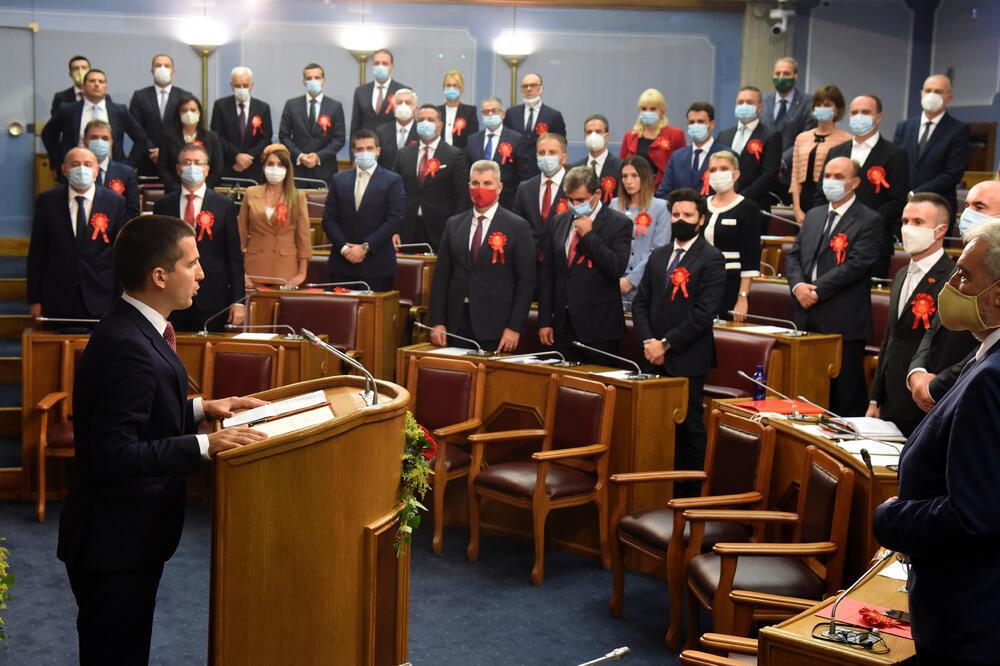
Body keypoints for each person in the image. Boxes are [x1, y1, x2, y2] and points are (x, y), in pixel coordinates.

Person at [57, 214, 267, 666]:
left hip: (130, 537)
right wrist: (207, 446)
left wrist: (201, 409)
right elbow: (114, 452)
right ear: (159, 276)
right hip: (112, 544)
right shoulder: (125, 343)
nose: (203, 273)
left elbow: (139, 410)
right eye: (192, 263)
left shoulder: (139, 328)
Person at [872, 216, 1000, 664]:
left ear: (998, 293)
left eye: (965, 275)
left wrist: (892, 518)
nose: (953, 284)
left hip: (969, 615)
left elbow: (974, 513)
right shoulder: (986, 356)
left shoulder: (992, 378)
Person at [632, 188, 725, 496]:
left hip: (687, 356)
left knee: (689, 428)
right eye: (675, 215)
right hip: (652, 355)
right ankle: (657, 488)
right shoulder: (659, 255)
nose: (680, 220)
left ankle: (689, 496)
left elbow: (703, 315)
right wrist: (649, 341)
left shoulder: (711, 259)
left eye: (688, 216)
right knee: (654, 427)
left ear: (701, 220)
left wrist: (666, 344)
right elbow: (641, 302)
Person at [784, 156, 882, 416]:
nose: (831, 181)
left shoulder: (869, 220)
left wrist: (815, 289)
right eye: (828, 175)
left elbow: (857, 265)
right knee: (807, 392)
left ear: (855, 182)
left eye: (839, 177)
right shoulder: (815, 215)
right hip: (805, 316)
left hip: (843, 321)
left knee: (845, 397)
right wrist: (798, 288)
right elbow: (794, 255)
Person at [906, 180, 1000, 411]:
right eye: (966, 205)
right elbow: (936, 326)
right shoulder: (962, 265)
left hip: (968, 391)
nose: (968, 213)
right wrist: (917, 372)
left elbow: (988, 344)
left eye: (979, 207)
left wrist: (937, 385)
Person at [866, 194, 953, 437]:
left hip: (924, 402)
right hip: (890, 399)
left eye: (917, 222)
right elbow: (890, 339)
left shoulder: (952, 278)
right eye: (905, 221)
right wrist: (875, 398)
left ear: (940, 230)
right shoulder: (902, 273)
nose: (907, 228)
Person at [429, 160, 536, 353]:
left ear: (500, 187)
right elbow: (441, 277)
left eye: (487, 184)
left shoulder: (518, 227)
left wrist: (514, 327)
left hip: (496, 326)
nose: (480, 189)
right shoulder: (454, 224)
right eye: (475, 183)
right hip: (456, 324)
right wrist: (437, 321)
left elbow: (526, 281)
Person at [537, 166, 631, 363]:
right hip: (563, 327)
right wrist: (545, 320)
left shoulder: (619, 223)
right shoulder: (558, 222)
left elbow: (616, 267)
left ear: (597, 193)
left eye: (580, 200)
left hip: (599, 330)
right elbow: (548, 274)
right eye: (569, 200)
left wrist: (588, 236)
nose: (574, 205)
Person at [811, 94, 909, 278]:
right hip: (831, 240)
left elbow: (897, 201)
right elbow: (819, 195)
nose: (859, 116)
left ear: (878, 117)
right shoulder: (836, 151)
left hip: (873, 244)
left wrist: (861, 224)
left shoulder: (895, 154)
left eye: (865, 112)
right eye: (855, 112)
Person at [27, 146, 129, 322]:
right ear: (64, 170)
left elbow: (121, 256)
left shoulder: (115, 202)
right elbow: (37, 254)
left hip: (100, 296)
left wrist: (121, 299)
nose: (81, 169)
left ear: (96, 170)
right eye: (75, 164)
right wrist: (35, 300)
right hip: (57, 298)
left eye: (87, 164)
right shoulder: (46, 201)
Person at [152, 143, 245, 331]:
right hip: (171, 297)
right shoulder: (163, 205)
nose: (192, 166)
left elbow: (234, 256)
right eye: (187, 162)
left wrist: (238, 301)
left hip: (212, 297)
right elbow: (155, 254)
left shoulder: (224, 205)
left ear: (207, 169)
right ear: (178, 169)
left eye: (198, 162)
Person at [323, 130, 405, 292]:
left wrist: (365, 247)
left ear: (378, 151)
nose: (365, 153)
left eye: (369, 148)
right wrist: (345, 249)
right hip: (342, 264)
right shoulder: (339, 180)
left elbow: (395, 220)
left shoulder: (392, 180)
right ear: (353, 152)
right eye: (360, 149)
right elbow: (329, 220)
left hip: (377, 265)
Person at [893, 74, 971, 229]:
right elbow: (896, 165)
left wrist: (916, 194)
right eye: (928, 90)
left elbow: (952, 173)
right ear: (921, 93)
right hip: (903, 209)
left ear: (949, 97)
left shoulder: (958, 130)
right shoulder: (904, 127)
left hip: (937, 209)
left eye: (938, 91)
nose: (932, 95)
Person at [42, 69, 150, 176]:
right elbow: (47, 134)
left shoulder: (119, 111)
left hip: (112, 173)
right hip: (76, 171)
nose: (97, 84)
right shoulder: (68, 110)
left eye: (101, 81)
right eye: (92, 81)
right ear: (83, 87)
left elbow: (141, 138)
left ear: (106, 87)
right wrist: (57, 162)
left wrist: (129, 166)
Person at [394, 104, 469, 251]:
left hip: (441, 230)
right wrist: (394, 229)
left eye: (430, 119)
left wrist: (456, 230)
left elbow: (462, 197)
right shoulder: (403, 154)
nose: (425, 123)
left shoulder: (454, 155)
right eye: (421, 120)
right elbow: (394, 194)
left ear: (440, 125)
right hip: (407, 229)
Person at [238, 143, 312, 289]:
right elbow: (240, 235)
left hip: (285, 270)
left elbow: (303, 238)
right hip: (254, 268)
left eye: (280, 165)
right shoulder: (251, 193)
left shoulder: (297, 196)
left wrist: (301, 274)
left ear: (287, 169)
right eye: (270, 164)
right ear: (264, 167)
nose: (275, 169)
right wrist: (240, 272)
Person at [703, 151, 761, 319]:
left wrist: (742, 297)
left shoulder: (748, 208)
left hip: (730, 283)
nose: (717, 173)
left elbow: (751, 257)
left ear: (736, 174)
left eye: (723, 168)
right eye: (713, 170)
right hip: (702, 281)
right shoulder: (702, 205)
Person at [715, 85, 782, 232]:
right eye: (740, 102)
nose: (744, 106)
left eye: (749, 102)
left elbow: (769, 175)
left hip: (753, 206)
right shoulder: (724, 135)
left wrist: (738, 198)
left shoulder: (770, 136)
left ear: (759, 107)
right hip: (722, 206)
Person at [611, 156, 670, 305]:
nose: (628, 181)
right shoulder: (614, 204)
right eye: (624, 176)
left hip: (645, 284)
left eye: (634, 176)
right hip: (614, 283)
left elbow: (658, 250)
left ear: (645, 177)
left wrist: (631, 280)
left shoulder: (661, 207)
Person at [788, 85, 850, 223]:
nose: (822, 107)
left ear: (837, 109)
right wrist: (797, 210)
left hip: (828, 198)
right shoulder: (802, 138)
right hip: (804, 199)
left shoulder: (846, 139)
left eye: (827, 105)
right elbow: (795, 177)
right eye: (818, 104)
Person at [278, 62, 346, 185]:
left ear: (323, 80)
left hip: (325, 169)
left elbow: (339, 139)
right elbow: (284, 135)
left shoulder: (335, 106)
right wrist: (300, 155)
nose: (313, 81)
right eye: (309, 78)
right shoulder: (291, 105)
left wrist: (319, 156)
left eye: (317, 78)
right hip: (298, 170)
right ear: (304, 81)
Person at [760, 57, 817, 201]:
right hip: (764, 175)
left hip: (793, 175)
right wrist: (770, 164)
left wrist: (781, 162)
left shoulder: (808, 102)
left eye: (786, 74)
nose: (781, 78)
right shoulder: (764, 101)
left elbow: (808, 136)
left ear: (796, 77)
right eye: (777, 74)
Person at [128, 54, 190, 177]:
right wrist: (152, 151)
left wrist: (165, 152)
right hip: (146, 159)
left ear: (173, 71)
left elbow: (187, 128)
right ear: (152, 70)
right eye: (158, 65)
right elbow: (135, 128)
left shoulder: (184, 96)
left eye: (166, 66)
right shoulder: (140, 96)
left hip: (175, 159)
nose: (162, 68)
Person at [210, 66, 273, 184]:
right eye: (237, 86)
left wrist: (249, 156)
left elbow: (266, 137)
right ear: (231, 85)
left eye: (245, 85)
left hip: (253, 168)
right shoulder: (220, 106)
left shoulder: (263, 107)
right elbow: (216, 135)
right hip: (229, 165)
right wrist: (236, 156)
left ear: (251, 85)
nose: (241, 89)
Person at [656, 102, 731, 199]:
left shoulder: (726, 156)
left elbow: (729, 194)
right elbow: (663, 193)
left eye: (700, 122)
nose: (696, 126)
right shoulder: (677, 157)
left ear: (712, 124)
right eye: (692, 122)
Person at [464, 97, 526, 211]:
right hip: (477, 203)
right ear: (482, 116)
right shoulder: (472, 140)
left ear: (502, 114)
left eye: (495, 111)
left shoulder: (516, 138)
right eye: (486, 112)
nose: (490, 114)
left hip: (507, 203)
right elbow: (467, 173)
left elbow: (522, 174)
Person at [503, 73, 567, 179]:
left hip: (542, 172)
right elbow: (506, 141)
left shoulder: (553, 115)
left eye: (533, 85)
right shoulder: (511, 113)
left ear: (541, 88)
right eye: (525, 86)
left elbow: (561, 144)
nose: (529, 89)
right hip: (515, 173)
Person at [157, 93, 224, 192]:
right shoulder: (168, 138)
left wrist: (202, 189)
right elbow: (162, 168)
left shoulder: (211, 138)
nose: (189, 113)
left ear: (199, 112)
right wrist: (178, 190)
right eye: (184, 110)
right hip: (175, 192)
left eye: (193, 110)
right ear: (178, 113)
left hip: (204, 192)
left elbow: (217, 169)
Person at [513, 133, 570, 250]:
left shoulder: (575, 187)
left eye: (552, 153)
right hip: (532, 258)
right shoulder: (525, 188)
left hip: (562, 258)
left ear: (564, 158)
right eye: (542, 153)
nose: (546, 157)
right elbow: (517, 226)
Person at [619, 88, 685, 188]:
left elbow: (681, 170)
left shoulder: (675, 135)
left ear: (662, 112)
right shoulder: (629, 136)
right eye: (644, 109)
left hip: (663, 192)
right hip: (634, 192)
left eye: (653, 109)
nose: (648, 112)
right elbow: (622, 167)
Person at [83, 119, 140, 220]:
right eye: (94, 138)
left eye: (105, 138)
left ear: (111, 143)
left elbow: (133, 212)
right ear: (84, 141)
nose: (99, 142)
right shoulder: (75, 172)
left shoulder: (126, 173)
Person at [350, 48, 408, 137]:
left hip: (392, 145)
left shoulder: (403, 91)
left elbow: (407, 123)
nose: (380, 66)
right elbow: (355, 124)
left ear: (391, 67)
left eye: (385, 64)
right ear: (372, 66)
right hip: (367, 144)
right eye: (377, 63)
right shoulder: (360, 91)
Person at [572, 114, 623, 204]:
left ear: (607, 136)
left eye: (598, 131)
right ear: (585, 137)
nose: (593, 135)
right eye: (589, 132)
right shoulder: (574, 168)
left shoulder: (620, 167)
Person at [375, 88, 418, 170]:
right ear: (393, 107)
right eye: (399, 103)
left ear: (415, 108)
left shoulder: (421, 132)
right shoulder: (381, 132)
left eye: (408, 103)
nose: (403, 106)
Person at [437, 70, 478, 150]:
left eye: (455, 86)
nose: (451, 88)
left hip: (461, 158)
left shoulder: (470, 111)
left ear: (461, 89)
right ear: (443, 88)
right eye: (448, 85)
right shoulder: (437, 111)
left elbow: (472, 140)